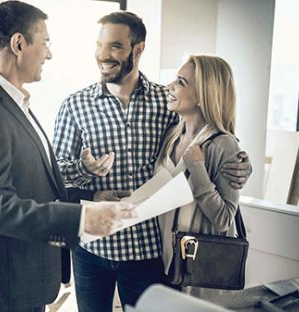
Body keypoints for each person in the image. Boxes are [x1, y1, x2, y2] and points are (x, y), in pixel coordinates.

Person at [52, 12, 251, 311]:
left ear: (138, 49)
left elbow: (209, 132)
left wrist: (241, 164)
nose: (103, 56)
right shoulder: (74, 105)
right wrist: (85, 173)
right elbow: (57, 175)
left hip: (149, 250)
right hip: (92, 249)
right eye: (99, 45)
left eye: (116, 47)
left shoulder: (168, 103)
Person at [0, 2, 137, 311]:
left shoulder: (10, 104)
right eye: (45, 43)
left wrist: (84, 178)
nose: (49, 54)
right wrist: (82, 218)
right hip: (2, 289)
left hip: (20, 283)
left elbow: (32, 182)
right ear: (19, 44)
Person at [158, 55, 241, 295]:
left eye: (181, 82)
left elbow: (225, 219)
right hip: (166, 268)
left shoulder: (223, 145)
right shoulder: (172, 136)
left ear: (205, 95)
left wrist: (198, 169)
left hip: (200, 277)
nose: (169, 87)